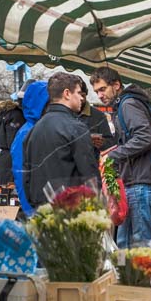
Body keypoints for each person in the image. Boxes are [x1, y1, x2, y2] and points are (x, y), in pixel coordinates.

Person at [90, 67, 151, 248]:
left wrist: (114, 155)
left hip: (141, 182)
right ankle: (126, 275)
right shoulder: (124, 105)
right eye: (96, 91)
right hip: (135, 181)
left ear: (116, 85)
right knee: (125, 242)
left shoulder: (128, 104)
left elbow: (144, 137)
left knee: (140, 243)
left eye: (102, 89)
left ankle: (143, 276)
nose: (100, 95)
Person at [23, 73, 100, 209]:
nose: (82, 98)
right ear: (67, 94)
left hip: (41, 208)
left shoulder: (33, 130)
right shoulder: (76, 127)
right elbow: (89, 174)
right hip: (70, 208)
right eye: (78, 93)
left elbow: (27, 175)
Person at [11, 80, 50, 216]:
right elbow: (20, 174)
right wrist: (31, 212)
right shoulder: (26, 133)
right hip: (37, 209)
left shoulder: (42, 127)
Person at [0, 87, 26, 186]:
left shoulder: (2, 118)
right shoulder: (16, 115)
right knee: (13, 196)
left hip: (4, 161)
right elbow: (15, 142)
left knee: (5, 195)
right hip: (15, 160)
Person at [76, 78, 115, 158]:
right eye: (77, 96)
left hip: (90, 164)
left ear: (86, 94)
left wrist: (101, 142)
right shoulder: (63, 114)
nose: (81, 99)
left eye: (83, 95)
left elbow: (110, 143)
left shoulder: (98, 116)